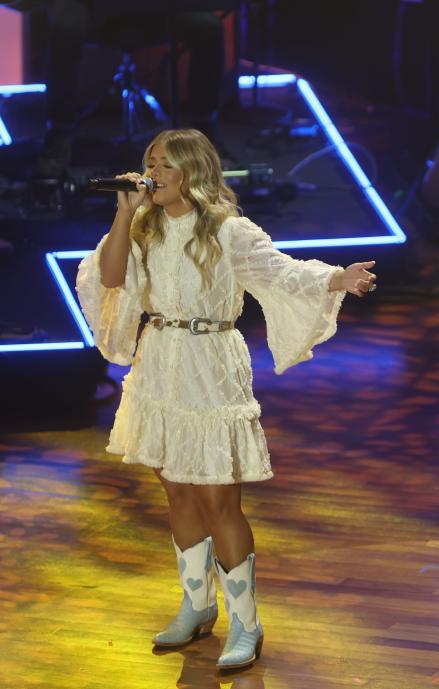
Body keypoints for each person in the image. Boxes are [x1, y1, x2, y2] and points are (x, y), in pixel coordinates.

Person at [76, 128, 376, 671]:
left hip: (211, 363)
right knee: (179, 494)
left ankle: (246, 622)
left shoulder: (228, 230)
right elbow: (112, 278)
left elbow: (279, 270)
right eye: (150, 163)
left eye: (166, 165)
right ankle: (196, 607)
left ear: (192, 171)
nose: (154, 174)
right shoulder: (142, 226)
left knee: (218, 501)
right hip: (160, 362)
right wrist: (123, 214)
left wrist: (338, 278)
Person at [34, 0, 227, 178]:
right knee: (65, 25)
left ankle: (204, 132)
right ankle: (59, 133)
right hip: (93, 9)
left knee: (208, 26)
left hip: (159, 11)